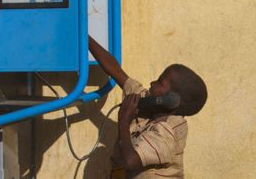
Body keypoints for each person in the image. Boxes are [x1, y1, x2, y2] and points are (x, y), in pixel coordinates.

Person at [89, 36, 208, 179]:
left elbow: (130, 161)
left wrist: (124, 120)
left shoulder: (167, 133)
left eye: (159, 82)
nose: (152, 83)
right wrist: (85, 38)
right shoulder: (148, 101)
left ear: (172, 100)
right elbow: (116, 72)